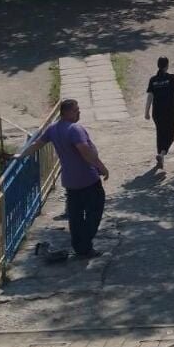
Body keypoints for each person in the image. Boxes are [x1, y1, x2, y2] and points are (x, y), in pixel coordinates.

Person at [29, 99, 108, 259]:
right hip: (87, 178)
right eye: (75, 110)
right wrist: (101, 166)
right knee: (94, 212)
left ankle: (79, 245)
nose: (79, 112)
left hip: (70, 181)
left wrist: (19, 155)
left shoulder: (53, 129)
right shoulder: (75, 129)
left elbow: (38, 143)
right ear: (65, 113)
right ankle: (84, 246)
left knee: (75, 215)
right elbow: (85, 151)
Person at [144, 56, 174, 171]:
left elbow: (150, 97)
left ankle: (160, 155)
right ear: (167, 65)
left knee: (160, 133)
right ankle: (162, 154)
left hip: (156, 112)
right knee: (170, 134)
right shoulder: (171, 78)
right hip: (169, 111)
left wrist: (146, 111)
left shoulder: (153, 80)